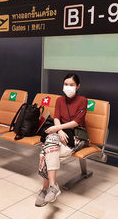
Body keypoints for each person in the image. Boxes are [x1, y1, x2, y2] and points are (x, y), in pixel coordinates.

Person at [35, 73, 87, 207]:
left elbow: (77, 122)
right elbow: (56, 117)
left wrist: (57, 129)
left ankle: (45, 189)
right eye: (66, 84)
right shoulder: (59, 100)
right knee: (50, 145)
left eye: (71, 85)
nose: (68, 87)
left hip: (75, 137)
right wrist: (59, 130)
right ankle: (52, 187)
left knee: (45, 152)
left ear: (78, 86)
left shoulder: (82, 100)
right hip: (59, 135)